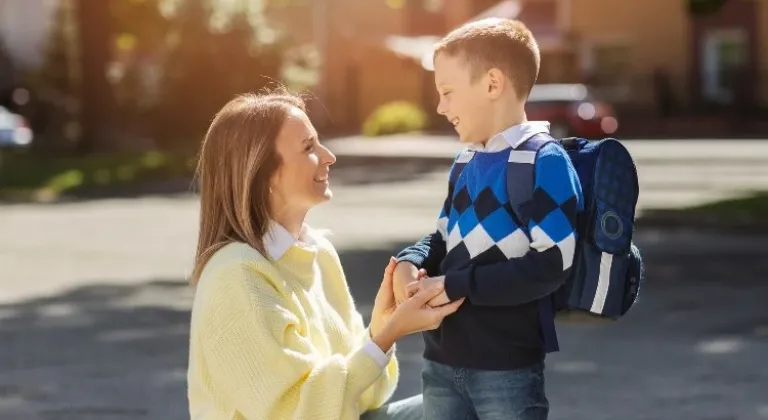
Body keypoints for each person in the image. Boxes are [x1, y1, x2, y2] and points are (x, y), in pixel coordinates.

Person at [186, 89, 465, 420]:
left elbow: (365, 399)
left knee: (467, 403)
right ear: (264, 175)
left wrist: (381, 328)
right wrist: (388, 335)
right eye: (309, 147)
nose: (329, 155)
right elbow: (297, 413)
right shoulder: (235, 276)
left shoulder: (318, 252)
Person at [393, 18, 584, 420]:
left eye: (447, 92)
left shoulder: (543, 161)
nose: (441, 107)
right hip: (441, 362)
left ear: (493, 84)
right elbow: (444, 237)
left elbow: (551, 264)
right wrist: (412, 260)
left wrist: (457, 284)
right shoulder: (465, 162)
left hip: (506, 370)